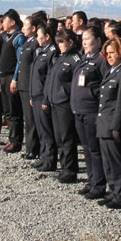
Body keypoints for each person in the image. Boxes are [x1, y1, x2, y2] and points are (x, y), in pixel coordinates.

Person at [71, 25, 109, 199]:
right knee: (86, 148)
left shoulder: (101, 60)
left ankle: (99, 185)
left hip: (92, 110)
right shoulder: (84, 58)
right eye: (83, 39)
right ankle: (91, 180)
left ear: (98, 40)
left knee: (95, 149)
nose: (84, 42)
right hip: (79, 109)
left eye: (88, 39)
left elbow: (106, 84)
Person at [96, 36, 121, 209]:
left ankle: (120, 195)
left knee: (117, 161)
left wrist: (116, 126)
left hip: (113, 123)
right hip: (104, 122)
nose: (109, 56)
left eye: (112, 53)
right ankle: (112, 191)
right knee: (107, 161)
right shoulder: (111, 70)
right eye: (107, 53)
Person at [44, 29, 83, 182]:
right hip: (55, 102)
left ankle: (70, 170)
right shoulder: (61, 57)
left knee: (67, 138)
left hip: (65, 104)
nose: (59, 45)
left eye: (61, 42)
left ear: (70, 42)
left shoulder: (75, 59)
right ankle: (64, 167)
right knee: (59, 138)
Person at [30, 23, 59, 171]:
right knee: (40, 130)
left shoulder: (53, 52)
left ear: (47, 36)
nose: (37, 38)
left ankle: (50, 160)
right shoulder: (41, 51)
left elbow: (50, 78)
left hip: (43, 96)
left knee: (47, 130)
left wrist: (46, 98)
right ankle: (43, 156)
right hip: (36, 95)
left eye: (38, 35)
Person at [0, 9, 26, 153]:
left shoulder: (18, 38)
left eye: (5, 21)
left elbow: (19, 61)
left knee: (14, 111)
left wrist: (15, 79)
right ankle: (11, 139)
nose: (2, 24)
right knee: (7, 111)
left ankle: (16, 141)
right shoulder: (7, 37)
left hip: (11, 77)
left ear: (13, 22)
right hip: (3, 77)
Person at [16, 16, 40, 159]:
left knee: (31, 119)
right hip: (23, 84)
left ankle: (33, 149)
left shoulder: (35, 43)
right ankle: (30, 147)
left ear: (33, 28)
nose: (23, 28)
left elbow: (34, 68)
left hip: (29, 85)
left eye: (26, 25)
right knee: (27, 118)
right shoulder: (27, 42)